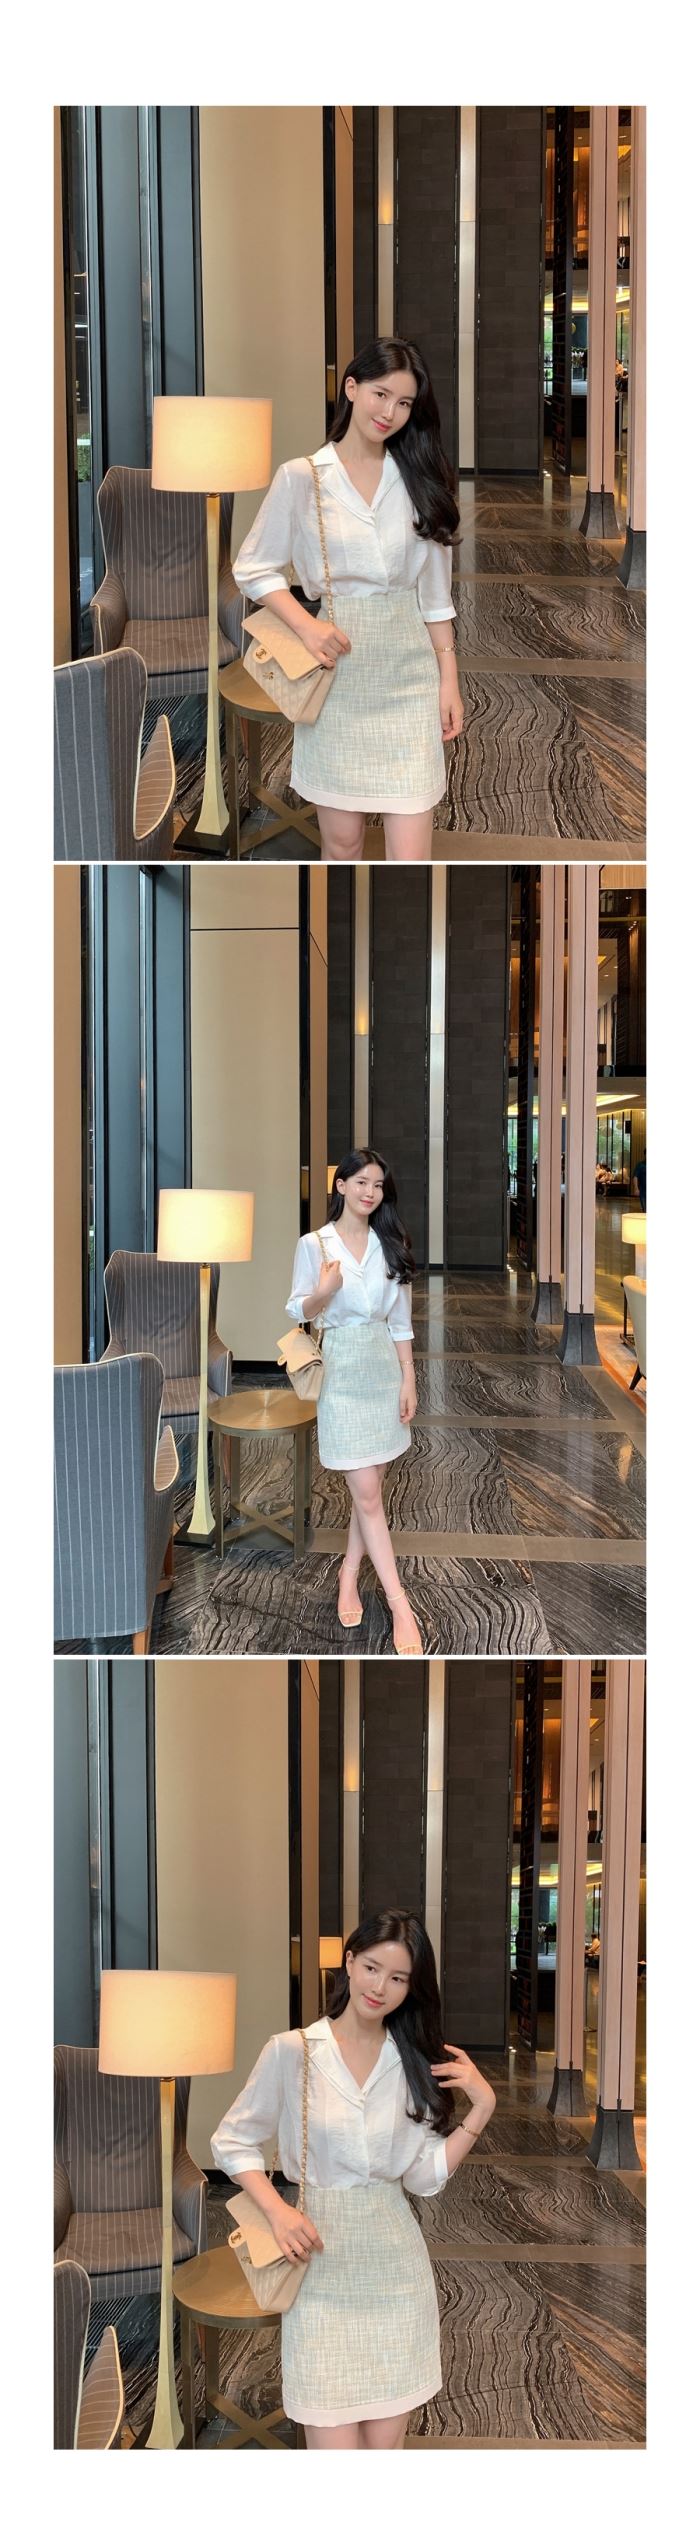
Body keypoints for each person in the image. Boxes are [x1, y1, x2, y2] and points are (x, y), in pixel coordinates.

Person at [211, 1910, 496, 2450]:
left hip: (396, 2271)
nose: (379, 1987)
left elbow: (422, 2178)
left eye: (398, 1978)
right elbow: (232, 2141)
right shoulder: (293, 2051)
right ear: (348, 1962)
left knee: (382, 2452)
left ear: (411, 1988)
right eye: (371, 1968)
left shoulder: (411, 2062)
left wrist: (482, 2108)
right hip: (317, 2263)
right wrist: (278, 2210)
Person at [233, 336, 464, 863]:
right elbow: (253, 568)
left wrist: (449, 680)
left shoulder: (420, 481)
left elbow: (435, 597)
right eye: (381, 395)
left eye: (404, 403)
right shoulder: (303, 478)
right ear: (352, 388)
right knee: (341, 845)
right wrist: (307, 626)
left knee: (411, 855)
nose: (390, 413)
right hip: (335, 675)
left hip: (409, 676)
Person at [285, 1148, 421, 1655]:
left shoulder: (391, 1245)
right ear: (340, 1185)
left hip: (383, 1369)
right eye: (361, 1182)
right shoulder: (314, 1245)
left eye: (378, 1185)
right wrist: (325, 1290)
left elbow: (401, 1321)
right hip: (341, 1371)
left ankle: (348, 1572)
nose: (370, 1192)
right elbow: (299, 1308)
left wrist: (409, 1378)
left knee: (371, 1494)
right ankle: (400, 1604)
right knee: (366, 1494)